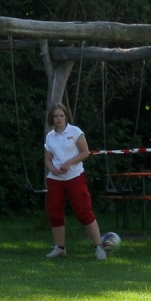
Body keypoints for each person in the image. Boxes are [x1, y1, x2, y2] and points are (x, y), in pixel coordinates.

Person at [43, 102, 107, 260]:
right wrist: (52, 168)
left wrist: (69, 163)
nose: (59, 118)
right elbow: (48, 159)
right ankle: (59, 247)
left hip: (75, 176)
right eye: (56, 116)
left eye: (61, 115)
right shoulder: (50, 136)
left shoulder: (75, 132)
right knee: (55, 212)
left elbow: (85, 152)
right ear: (52, 118)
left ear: (66, 116)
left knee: (83, 211)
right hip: (55, 179)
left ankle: (99, 247)